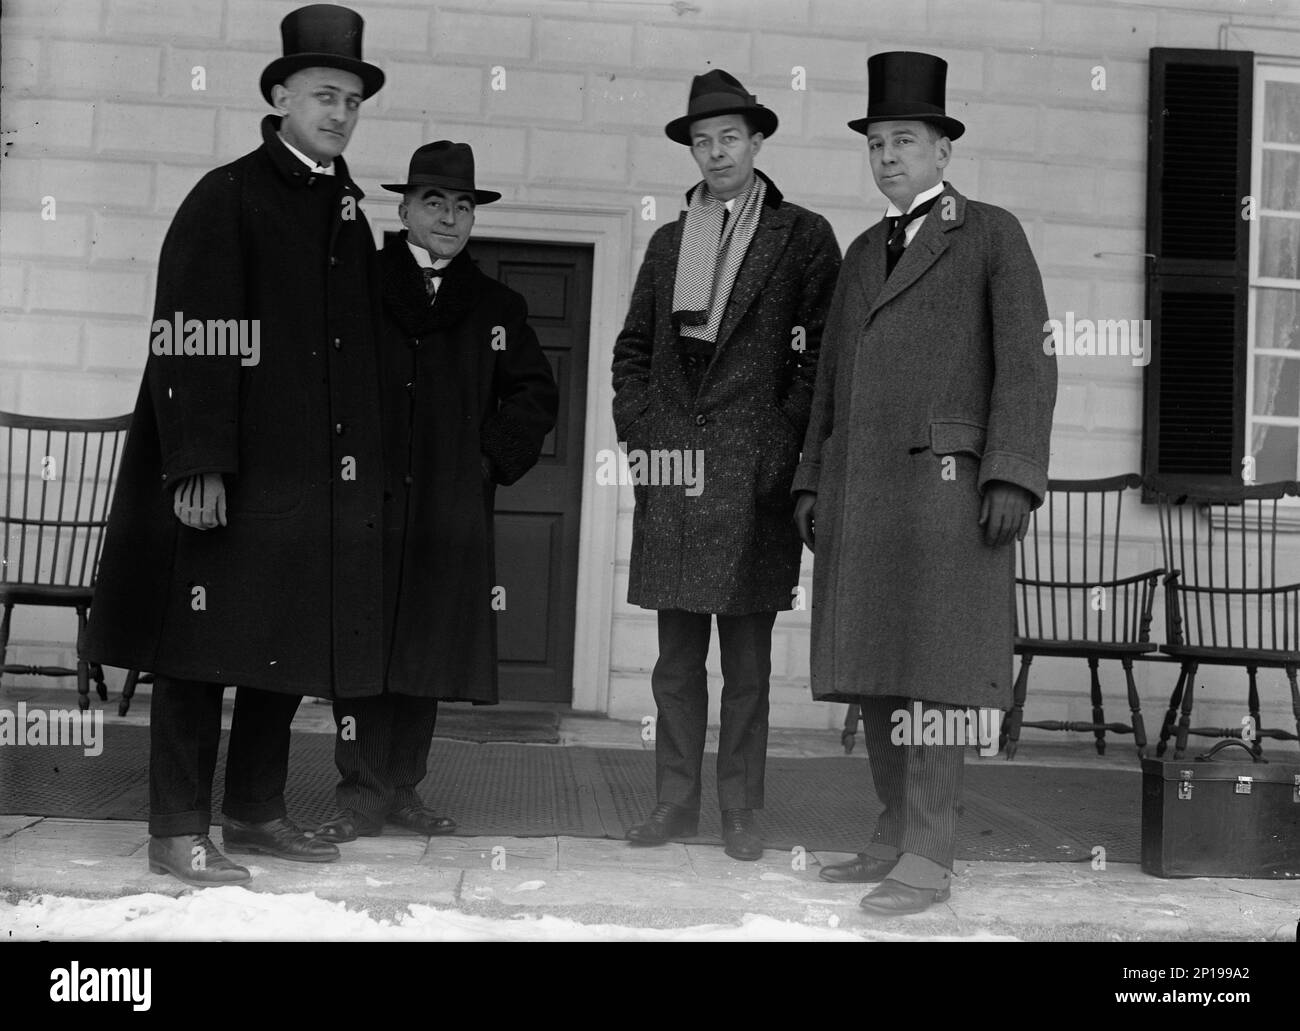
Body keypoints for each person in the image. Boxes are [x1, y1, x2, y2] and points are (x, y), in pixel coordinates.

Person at [81, 4, 387, 885]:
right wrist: (198, 462)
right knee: (197, 652)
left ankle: (254, 811)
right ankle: (177, 830)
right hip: (231, 475)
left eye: (353, 100)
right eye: (325, 95)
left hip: (309, 482)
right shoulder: (230, 194)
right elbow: (190, 333)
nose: (339, 113)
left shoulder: (345, 208)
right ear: (282, 95)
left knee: (280, 646)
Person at [793, 51, 1057, 915]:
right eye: (875, 143)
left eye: (904, 140)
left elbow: (1028, 364)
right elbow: (829, 380)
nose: (887, 156)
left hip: (951, 489)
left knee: (937, 670)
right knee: (874, 665)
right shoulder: (865, 249)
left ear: (944, 150)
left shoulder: (990, 233)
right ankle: (893, 829)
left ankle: (932, 853)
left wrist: (1013, 472)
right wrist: (809, 481)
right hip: (862, 491)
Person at [612, 70, 841, 861]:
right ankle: (674, 803)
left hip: (752, 477)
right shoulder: (671, 239)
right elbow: (634, 353)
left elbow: (820, 359)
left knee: (746, 666)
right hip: (676, 474)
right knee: (676, 663)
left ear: (757, 141)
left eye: (730, 138)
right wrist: (643, 433)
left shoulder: (802, 236)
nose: (716, 152)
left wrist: (781, 445)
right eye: (702, 141)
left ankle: (741, 812)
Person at [314, 142, 558, 843]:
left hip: (447, 508)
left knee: (423, 650)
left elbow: (535, 394)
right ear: (405, 208)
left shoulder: (495, 304)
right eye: (434, 202)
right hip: (368, 502)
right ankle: (359, 791)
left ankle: (402, 790)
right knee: (364, 648)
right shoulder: (360, 283)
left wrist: (485, 460)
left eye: (461, 205)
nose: (449, 217)